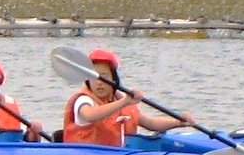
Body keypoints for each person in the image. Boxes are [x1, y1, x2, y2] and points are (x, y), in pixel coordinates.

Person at [62, 48, 193, 146]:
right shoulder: (84, 100)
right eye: (94, 77)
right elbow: (90, 115)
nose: (99, 82)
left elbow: (149, 123)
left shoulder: (120, 100)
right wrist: (124, 102)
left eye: (104, 76)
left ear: (114, 79)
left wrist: (179, 122)